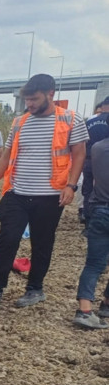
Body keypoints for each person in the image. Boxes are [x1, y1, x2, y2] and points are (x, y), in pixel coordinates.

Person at [0, 73, 88, 308]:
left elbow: (79, 153)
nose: (29, 104)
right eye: (27, 100)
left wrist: (71, 185)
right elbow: (7, 156)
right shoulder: (19, 122)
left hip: (50, 196)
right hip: (17, 193)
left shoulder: (71, 119)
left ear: (51, 94)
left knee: (42, 242)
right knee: (7, 240)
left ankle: (35, 289)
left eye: (34, 100)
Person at [74, 138, 109, 329]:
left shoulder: (98, 147)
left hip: (99, 209)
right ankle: (107, 304)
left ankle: (85, 310)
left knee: (94, 264)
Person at [81, 97, 109, 228]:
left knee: (87, 191)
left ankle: (88, 221)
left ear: (103, 106)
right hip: (105, 161)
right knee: (103, 192)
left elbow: (82, 140)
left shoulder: (91, 120)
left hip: (89, 159)